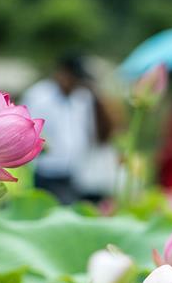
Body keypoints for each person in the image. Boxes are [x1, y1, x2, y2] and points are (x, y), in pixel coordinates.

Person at [22, 55, 112, 204]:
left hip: (73, 173)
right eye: (74, 78)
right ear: (61, 73)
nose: (76, 83)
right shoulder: (39, 95)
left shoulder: (82, 97)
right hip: (46, 171)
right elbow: (26, 129)